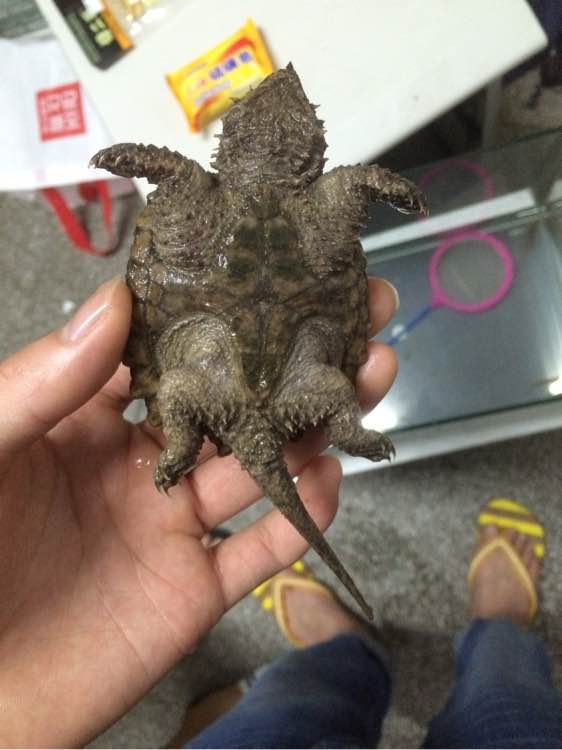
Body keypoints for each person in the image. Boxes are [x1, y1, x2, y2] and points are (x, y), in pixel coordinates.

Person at [0, 275, 398, 748]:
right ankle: (350, 657)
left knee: (307, 705)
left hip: (238, 343)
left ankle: (345, 660)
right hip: (281, 340)